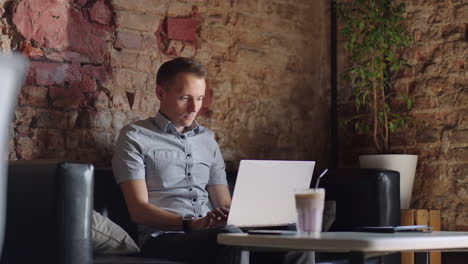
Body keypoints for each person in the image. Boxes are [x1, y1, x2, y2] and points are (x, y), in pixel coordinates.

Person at [112, 57, 245, 264]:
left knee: (294, 238)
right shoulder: (134, 137)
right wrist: (190, 224)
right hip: (163, 238)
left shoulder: (207, 139)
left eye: (200, 98)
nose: (194, 107)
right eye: (185, 98)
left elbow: (224, 203)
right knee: (231, 238)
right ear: (160, 93)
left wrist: (248, 219)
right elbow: (138, 210)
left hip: (214, 232)